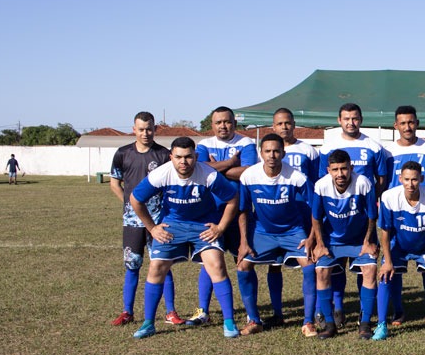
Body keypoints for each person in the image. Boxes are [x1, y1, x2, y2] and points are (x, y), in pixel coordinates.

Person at [129, 137, 240, 339]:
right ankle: (148, 323)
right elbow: (135, 199)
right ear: (171, 157)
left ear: (195, 157)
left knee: (216, 265)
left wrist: (221, 227)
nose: (183, 162)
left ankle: (229, 322)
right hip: (173, 225)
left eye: (188, 157)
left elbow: (232, 198)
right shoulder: (161, 174)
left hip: (203, 226)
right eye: (178, 157)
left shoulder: (208, 174)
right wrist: (152, 228)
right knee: (156, 268)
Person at [235, 134, 316, 337]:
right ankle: (254, 320)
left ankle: (308, 322)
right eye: (268, 151)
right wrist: (244, 242)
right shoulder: (249, 176)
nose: (272, 155)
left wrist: (312, 237)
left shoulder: (296, 177)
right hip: (262, 231)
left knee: (310, 266)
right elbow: (243, 211)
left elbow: (316, 209)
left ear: (283, 153)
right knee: (243, 266)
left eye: (276, 151)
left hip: (293, 231)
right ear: (261, 153)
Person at [317, 103, 388, 318]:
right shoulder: (327, 147)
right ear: (339, 120)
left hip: (361, 215)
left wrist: (367, 201)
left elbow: (381, 179)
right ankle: (338, 308)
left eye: (355, 118)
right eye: (346, 118)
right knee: (335, 265)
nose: (351, 122)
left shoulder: (374, 146)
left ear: (361, 119)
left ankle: (363, 310)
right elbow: (323, 179)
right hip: (335, 217)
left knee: (364, 262)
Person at [188, 106, 257, 326]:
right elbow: (196, 168)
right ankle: (203, 311)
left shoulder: (245, 143)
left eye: (227, 122)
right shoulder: (204, 144)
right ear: (212, 125)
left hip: (239, 212)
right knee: (209, 261)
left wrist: (212, 167)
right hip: (211, 213)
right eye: (218, 122)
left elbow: (247, 171)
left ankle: (251, 312)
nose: (223, 126)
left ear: (234, 124)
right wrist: (229, 164)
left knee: (245, 260)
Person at [109, 112, 179, 326]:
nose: (145, 133)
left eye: (149, 129)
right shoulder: (122, 153)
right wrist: (131, 206)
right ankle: (127, 311)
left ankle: (171, 312)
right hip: (132, 222)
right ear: (134, 129)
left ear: (155, 129)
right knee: (132, 265)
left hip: (158, 222)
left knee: (162, 265)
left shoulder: (164, 154)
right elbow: (115, 183)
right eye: (141, 129)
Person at [259, 107, 321, 331]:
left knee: (310, 261)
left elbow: (316, 182)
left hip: (302, 215)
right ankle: (277, 312)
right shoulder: (270, 150)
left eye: (288, 123)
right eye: (279, 124)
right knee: (274, 265)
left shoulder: (309, 151)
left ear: (294, 124)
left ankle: (314, 313)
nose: (284, 127)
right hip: (276, 216)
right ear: (273, 127)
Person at [383, 105, 425, 325]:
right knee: (394, 269)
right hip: (398, 219)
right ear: (396, 125)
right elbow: (384, 184)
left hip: (424, 218)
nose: (407, 127)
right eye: (403, 123)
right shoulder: (387, 151)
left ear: (417, 123)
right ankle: (398, 310)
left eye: (411, 122)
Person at [375, 161, 425, 341]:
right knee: (386, 276)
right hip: (398, 245)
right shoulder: (389, 197)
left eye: (415, 179)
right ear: (400, 179)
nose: (410, 184)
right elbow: (384, 231)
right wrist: (387, 260)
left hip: (424, 247)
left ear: (421, 179)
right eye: (407, 179)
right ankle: (381, 324)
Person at [311, 148, 379, 339]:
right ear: (328, 170)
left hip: (359, 240)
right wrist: (320, 244)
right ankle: (329, 324)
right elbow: (316, 217)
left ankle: (365, 322)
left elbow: (372, 216)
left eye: (344, 169)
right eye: (335, 169)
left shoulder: (364, 183)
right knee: (321, 271)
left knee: (370, 269)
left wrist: (367, 242)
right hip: (332, 241)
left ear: (352, 167)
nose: (340, 174)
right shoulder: (321, 186)